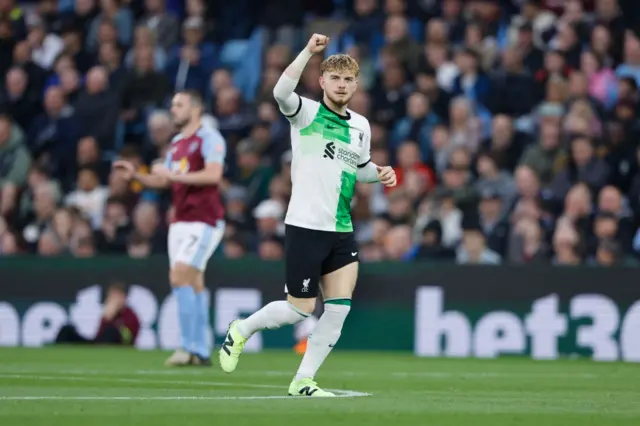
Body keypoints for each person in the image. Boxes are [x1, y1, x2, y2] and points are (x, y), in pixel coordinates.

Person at [218, 34, 397, 396]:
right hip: (305, 225)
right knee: (298, 311)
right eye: (335, 78)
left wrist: (378, 173)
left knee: (339, 309)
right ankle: (242, 329)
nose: (342, 85)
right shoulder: (307, 113)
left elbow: (358, 167)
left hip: (341, 228)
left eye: (348, 80)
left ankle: (303, 380)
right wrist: (308, 52)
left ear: (356, 84)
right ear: (322, 82)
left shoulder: (361, 126)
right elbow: (280, 93)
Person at [113, 90, 226, 366]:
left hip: (204, 220)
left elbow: (213, 175)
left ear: (196, 109)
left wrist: (172, 174)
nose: (173, 109)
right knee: (193, 282)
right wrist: (137, 176)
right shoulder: (176, 143)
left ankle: (187, 347)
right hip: (181, 222)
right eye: (172, 104)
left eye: (179, 105)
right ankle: (200, 350)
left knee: (179, 277)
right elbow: (164, 181)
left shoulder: (209, 138)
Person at [55, 282, 140, 345]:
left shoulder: (130, 315)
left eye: (117, 296)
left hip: (116, 348)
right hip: (97, 344)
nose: (114, 300)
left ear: (124, 298)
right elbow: (99, 335)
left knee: (110, 331)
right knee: (67, 330)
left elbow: (128, 339)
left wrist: (112, 322)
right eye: (111, 296)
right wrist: (107, 317)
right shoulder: (107, 312)